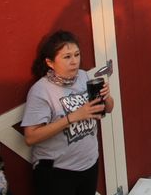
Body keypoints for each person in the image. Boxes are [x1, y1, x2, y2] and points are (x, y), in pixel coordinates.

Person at [21, 30, 114, 195]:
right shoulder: (41, 90)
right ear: (50, 62)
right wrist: (73, 117)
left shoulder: (84, 76)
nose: (74, 61)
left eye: (77, 55)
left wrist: (106, 97)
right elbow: (31, 137)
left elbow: (109, 109)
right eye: (67, 57)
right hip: (57, 172)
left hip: (89, 164)